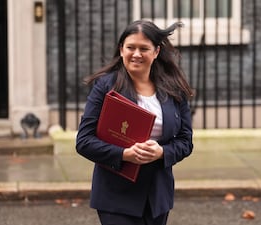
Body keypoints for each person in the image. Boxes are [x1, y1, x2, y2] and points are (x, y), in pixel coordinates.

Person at [76, 20, 194, 225]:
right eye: (131, 47)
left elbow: (185, 141)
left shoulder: (174, 89)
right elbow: (84, 141)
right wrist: (124, 155)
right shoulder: (105, 86)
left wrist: (162, 152)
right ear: (121, 50)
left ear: (156, 51)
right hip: (116, 194)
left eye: (144, 48)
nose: (136, 54)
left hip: (157, 195)